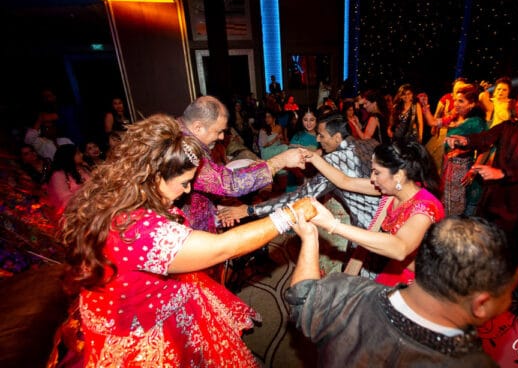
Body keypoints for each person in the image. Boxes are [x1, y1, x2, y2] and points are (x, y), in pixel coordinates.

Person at [61, 113, 317, 367]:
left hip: (150, 295)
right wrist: (289, 215)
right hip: (142, 327)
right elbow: (223, 248)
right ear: (153, 175)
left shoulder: (122, 190)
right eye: (184, 183)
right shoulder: (138, 230)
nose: (187, 191)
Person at [286, 212, 518, 368]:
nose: (510, 302)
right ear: (481, 304)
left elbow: (301, 294)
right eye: (510, 292)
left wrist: (310, 240)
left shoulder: (347, 292)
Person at [445, 81, 518, 268]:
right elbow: (485, 138)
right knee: (479, 247)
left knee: (501, 258)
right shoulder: (509, 126)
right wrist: (465, 140)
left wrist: (503, 173)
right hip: (491, 200)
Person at [304, 139, 444, 285]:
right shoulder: (394, 191)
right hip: (391, 271)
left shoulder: (425, 208)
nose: (372, 178)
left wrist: (333, 225)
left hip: (415, 286)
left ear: (399, 176)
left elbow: (400, 248)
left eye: (377, 172)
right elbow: (345, 181)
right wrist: (313, 157)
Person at [217, 113, 380, 232]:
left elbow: (299, 197)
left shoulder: (333, 162)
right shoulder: (368, 143)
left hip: (369, 228)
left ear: (337, 137)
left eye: (321, 136)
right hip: (387, 217)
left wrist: (249, 210)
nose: (317, 139)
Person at [178, 95, 308, 233]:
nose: (222, 137)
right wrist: (281, 160)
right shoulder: (182, 149)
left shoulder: (187, 139)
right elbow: (229, 183)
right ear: (198, 127)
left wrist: (214, 207)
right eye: (219, 131)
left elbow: (204, 185)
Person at [420, 84, 487, 216]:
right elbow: (433, 122)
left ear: (472, 104)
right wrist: (425, 107)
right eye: (455, 100)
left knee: (456, 206)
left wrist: (473, 171)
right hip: (447, 166)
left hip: (461, 170)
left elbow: (484, 149)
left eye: (461, 101)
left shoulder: (476, 123)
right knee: (445, 201)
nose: (455, 103)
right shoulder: (454, 116)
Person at [46, 143, 91, 217]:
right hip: (77, 213)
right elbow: (65, 201)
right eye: (78, 153)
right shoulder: (58, 175)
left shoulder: (83, 167)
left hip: (92, 204)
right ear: (69, 157)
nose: (81, 154)